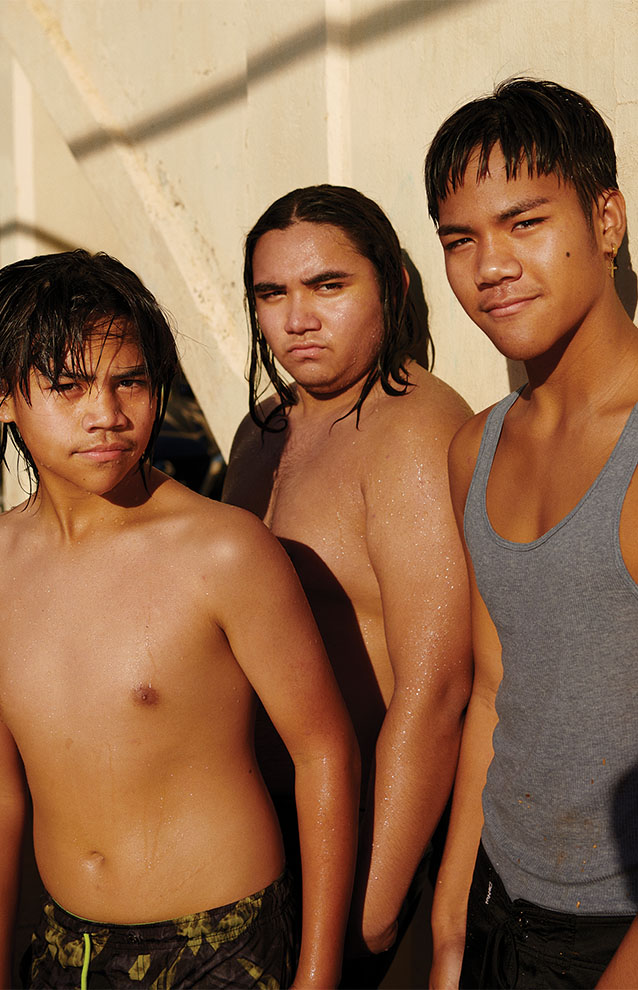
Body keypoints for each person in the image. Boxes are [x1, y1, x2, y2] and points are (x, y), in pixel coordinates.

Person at [0, 249, 359, 989]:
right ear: (5, 396)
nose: (107, 415)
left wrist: (318, 977)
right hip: (65, 948)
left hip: (219, 948)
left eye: (129, 381)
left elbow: (324, 751)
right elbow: (2, 793)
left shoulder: (224, 550)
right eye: (68, 386)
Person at [223, 184, 473, 987]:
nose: (297, 318)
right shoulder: (262, 428)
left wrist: (375, 899)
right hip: (263, 828)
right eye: (273, 294)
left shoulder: (412, 427)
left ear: (392, 285)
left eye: (328, 287)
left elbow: (435, 687)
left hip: (362, 834)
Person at [424, 77, 638, 989]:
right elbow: (493, 691)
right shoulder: (478, 444)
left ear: (606, 220)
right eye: (459, 240)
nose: (491, 265)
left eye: (524, 223)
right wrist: (446, 937)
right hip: (496, 911)